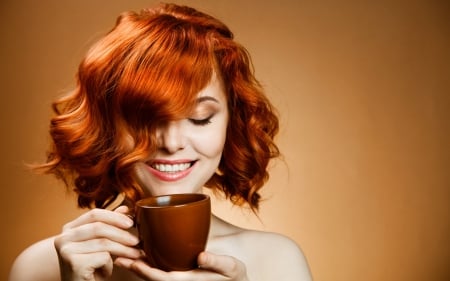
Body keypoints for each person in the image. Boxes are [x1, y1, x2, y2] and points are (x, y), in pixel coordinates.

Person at [9, 3, 312, 281]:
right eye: (146, 119)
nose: (171, 142)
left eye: (200, 117)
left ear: (231, 124)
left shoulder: (278, 262)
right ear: (105, 126)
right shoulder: (38, 268)